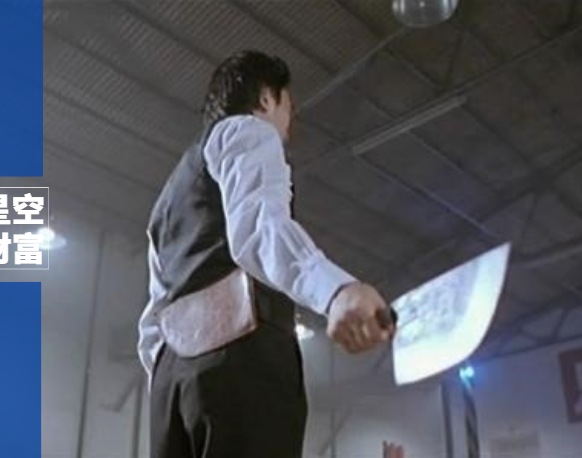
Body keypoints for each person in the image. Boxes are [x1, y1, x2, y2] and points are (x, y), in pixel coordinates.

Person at [138, 49, 395, 458]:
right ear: (265, 98)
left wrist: (173, 386)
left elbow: (152, 320)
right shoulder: (248, 130)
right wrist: (336, 291)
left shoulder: (165, 201)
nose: (291, 120)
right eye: (289, 105)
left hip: (170, 387)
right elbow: (259, 228)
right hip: (238, 360)